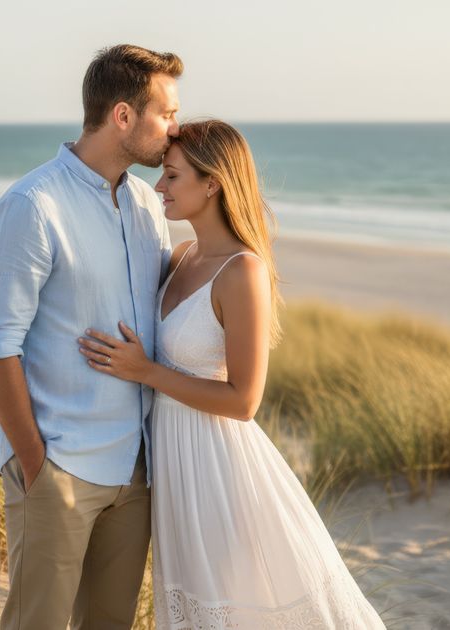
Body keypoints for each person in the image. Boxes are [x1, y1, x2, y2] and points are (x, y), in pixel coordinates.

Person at [78, 120, 386, 628]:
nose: (159, 187)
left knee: (234, 605)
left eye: (172, 177)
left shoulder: (242, 270)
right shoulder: (180, 256)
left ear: (212, 183)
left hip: (218, 467)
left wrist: (147, 372)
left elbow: (245, 400)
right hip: (173, 464)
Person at [0, 44, 181, 629]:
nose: (174, 129)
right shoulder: (31, 207)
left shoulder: (146, 205)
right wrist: (37, 466)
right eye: (166, 113)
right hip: (59, 466)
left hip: (134, 469)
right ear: (122, 116)